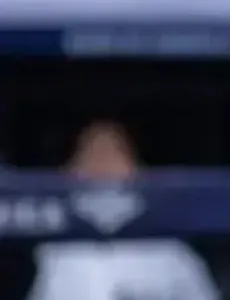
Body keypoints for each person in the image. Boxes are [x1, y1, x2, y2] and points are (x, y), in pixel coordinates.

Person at [26, 120, 219, 300]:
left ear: (137, 170)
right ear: (69, 171)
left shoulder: (172, 253)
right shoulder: (44, 251)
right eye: (92, 155)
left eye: (114, 154)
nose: (103, 167)